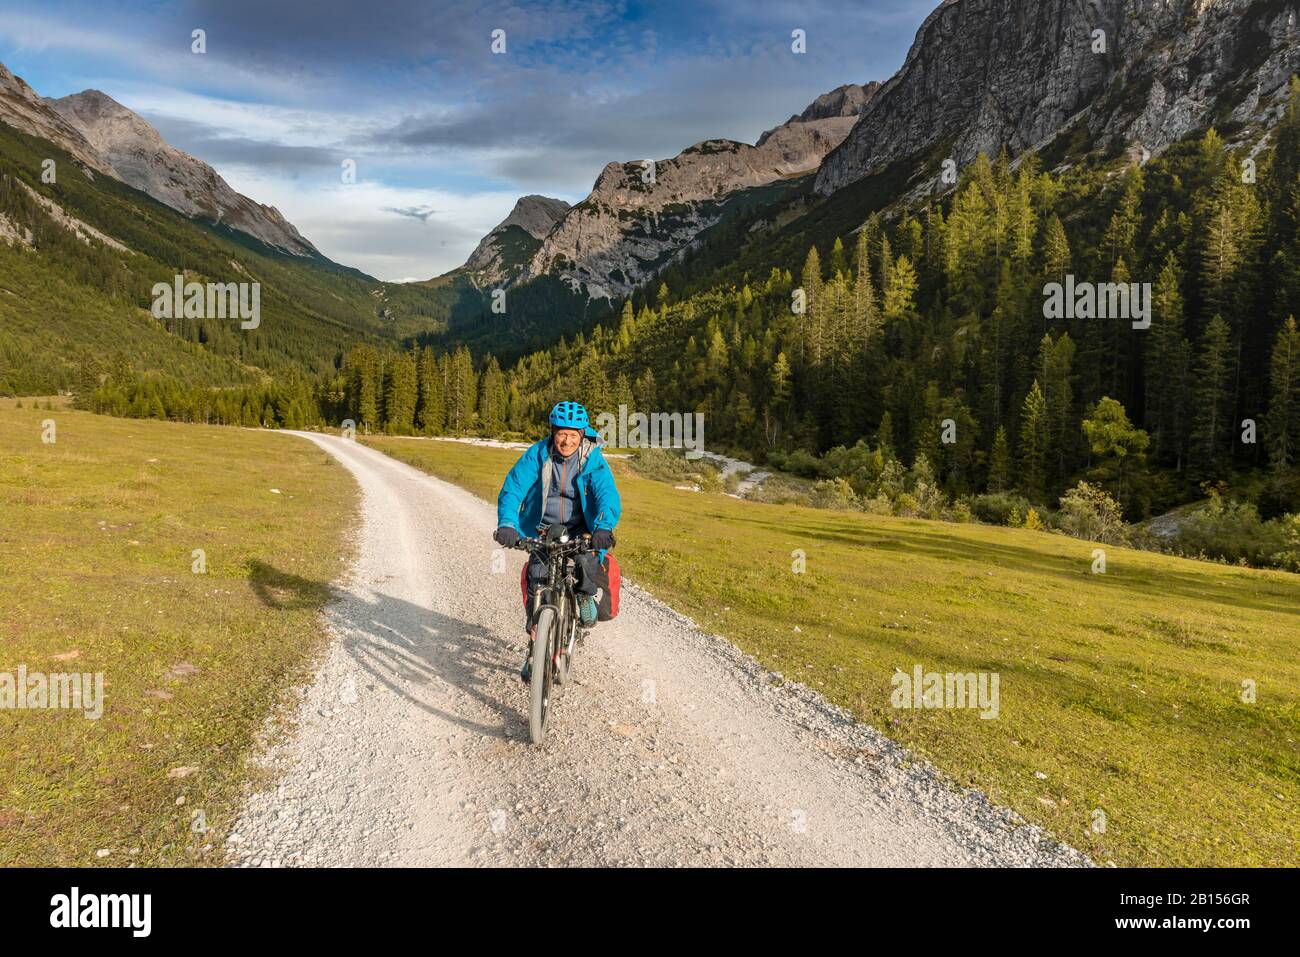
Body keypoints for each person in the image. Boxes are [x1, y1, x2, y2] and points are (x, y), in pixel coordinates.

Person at [494, 401, 620, 682]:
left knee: (586, 562)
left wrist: (603, 527)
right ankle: (534, 650)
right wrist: (507, 524)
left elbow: (606, 495)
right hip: (542, 529)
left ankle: (585, 595)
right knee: (537, 578)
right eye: (562, 433)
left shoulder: (592, 459)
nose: (567, 440)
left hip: (581, 528)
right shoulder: (537, 454)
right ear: (553, 432)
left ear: (582, 435)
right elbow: (513, 488)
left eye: (573, 435)